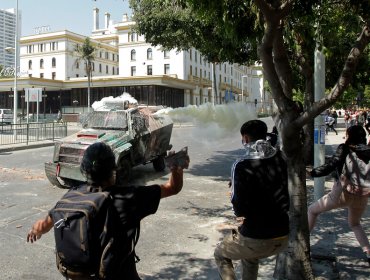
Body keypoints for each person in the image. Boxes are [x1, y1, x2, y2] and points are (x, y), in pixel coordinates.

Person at [27, 142, 190, 279]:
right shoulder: (128, 198)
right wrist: (176, 167)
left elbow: (43, 224)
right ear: (113, 170)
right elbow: (173, 188)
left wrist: (35, 231)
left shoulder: (70, 197)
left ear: (85, 171)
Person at [214, 120, 290, 280]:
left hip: (256, 238)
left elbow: (239, 210)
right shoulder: (281, 158)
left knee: (220, 254)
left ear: (246, 138)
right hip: (283, 234)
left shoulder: (240, 165)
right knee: (248, 257)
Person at [307, 125, 370, 265]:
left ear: (349, 135)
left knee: (312, 210)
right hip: (363, 194)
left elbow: (331, 165)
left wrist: (312, 173)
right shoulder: (368, 151)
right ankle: (368, 253)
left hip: (342, 193)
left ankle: (303, 242)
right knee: (355, 223)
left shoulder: (345, 148)